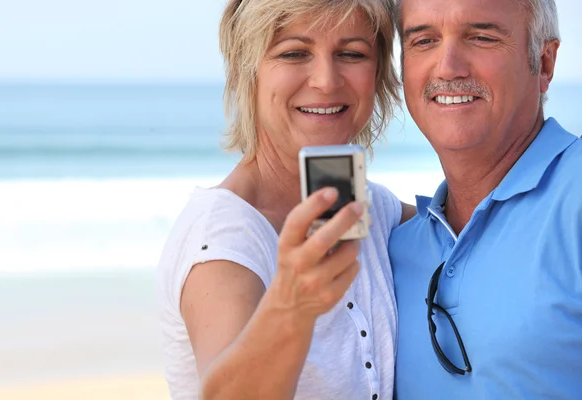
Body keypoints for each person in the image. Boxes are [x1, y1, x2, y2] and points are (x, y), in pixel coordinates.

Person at [156, 0, 413, 399]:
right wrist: (292, 308)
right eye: (294, 52)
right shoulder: (223, 240)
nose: (327, 80)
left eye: (351, 54)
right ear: (248, 70)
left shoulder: (378, 209)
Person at [388, 0, 582, 398]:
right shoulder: (393, 246)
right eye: (424, 40)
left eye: (481, 37)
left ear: (543, 63)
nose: (447, 67)